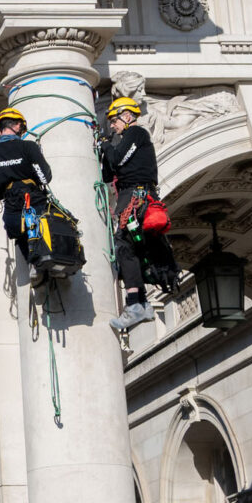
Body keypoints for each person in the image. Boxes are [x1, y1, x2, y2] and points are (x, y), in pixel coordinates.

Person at [101, 96, 162, 333]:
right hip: (131, 194)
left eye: (114, 121)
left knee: (124, 244)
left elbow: (116, 161)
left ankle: (135, 304)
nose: (113, 126)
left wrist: (107, 146)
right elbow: (109, 174)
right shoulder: (125, 139)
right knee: (132, 248)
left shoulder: (136, 134)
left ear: (127, 116)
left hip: (136, 195)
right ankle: (142, 303)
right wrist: (104, 150)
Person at [0, 107, 53, 267]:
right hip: (32, 197)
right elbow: (45, 177)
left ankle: (34, 265)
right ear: (17, 126)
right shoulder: (28, 147)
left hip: (11, 204)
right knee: (43, 221)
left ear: (0, 130)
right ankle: (45, 257)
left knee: (18, 230)